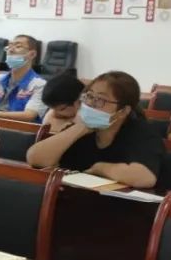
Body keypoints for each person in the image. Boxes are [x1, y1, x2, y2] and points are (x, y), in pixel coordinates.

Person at [27, 71, 163, 189]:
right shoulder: (82, 129)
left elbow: (144, 177)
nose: (90, 104)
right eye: (89, 96)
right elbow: (35, 158)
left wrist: (101, 168)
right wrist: (80, 128)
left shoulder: (142, 132)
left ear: (123, 111)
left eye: (100, 100)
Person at [0, 35, 47, 121]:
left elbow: (29, 115)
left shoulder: (40, 85)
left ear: (32, 54)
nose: (11, 50)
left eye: (18, 46)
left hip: (17, 128)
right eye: (9, 46)